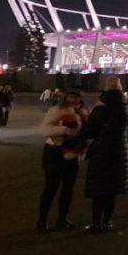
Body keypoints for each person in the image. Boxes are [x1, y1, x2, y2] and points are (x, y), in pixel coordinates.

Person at [81, 86, 128, 233]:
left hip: (101, 152)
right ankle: (107, 221)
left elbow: (89, 132)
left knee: (98, 190)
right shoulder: (125, 111)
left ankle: (95, 222)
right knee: (111, 191)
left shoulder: (100, 111)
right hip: (118, 153)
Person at [37, 91, 84, 232]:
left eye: (77, 97)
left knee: (68, 189)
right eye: (72, 96)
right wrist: (65, 130)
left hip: (72, 152)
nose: (75, 99)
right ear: (65, 97)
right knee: (50, 188)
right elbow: (45, 130)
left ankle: (62, 219)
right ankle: (42, 221)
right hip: (55, 152)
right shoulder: (56, 110)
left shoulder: (80, 112)